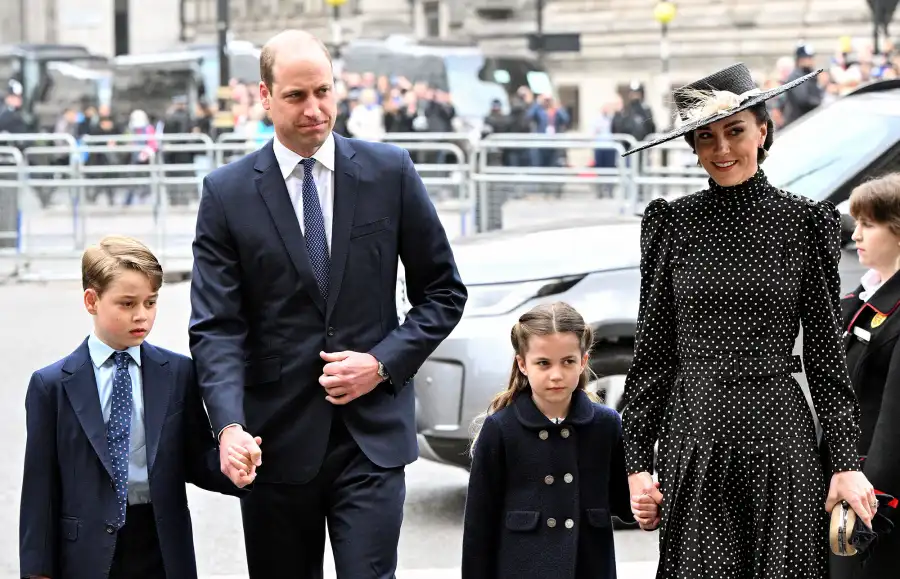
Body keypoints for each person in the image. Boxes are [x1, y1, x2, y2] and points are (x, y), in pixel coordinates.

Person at [188, 30, 467, 578]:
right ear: (264, 97)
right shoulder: (227, 193)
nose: (315, 110)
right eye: (296, 96)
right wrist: (228, 428)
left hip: (371, 442)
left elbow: (443, 292)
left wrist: (382, 362)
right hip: (273, 443)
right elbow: (217, 326)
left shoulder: (391, 172)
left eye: (324, 92)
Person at [619, 63, 877, 578]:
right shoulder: (672, 223)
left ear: (763, 130)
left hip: (782, 444)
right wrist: (636, 465)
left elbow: (827, 355)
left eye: (735, 131)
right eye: (705, 137)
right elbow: (651, 356)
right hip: (695, 437)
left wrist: (846, 464)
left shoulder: (806, 222)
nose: (722, 150)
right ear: (692, 146)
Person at [19, 235, 254, 579]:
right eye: (127, 304)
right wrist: (37, 572)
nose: (141, 315)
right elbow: (40, 491)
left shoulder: (177, 372)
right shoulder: (51, 386)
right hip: (86, 554)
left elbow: (196, 457)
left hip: (160, 546)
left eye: (150, 302)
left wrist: (233, 467)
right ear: (91, 300)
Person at [461, 302, 648, 579]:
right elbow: (479, 525)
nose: (556, 374)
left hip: (589, 568)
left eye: (568, 361)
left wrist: (645, 506)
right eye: (543, 363)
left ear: (583, 361)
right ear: (523, 364)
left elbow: (624, 501)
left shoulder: (606, 425)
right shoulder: (500, 428)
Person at [830, 173, 900, 579]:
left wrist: (866, 507)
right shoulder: (867, 295)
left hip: (872, 499)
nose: (855, 234)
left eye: (868, 224)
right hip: (847, 481)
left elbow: (892, 425)